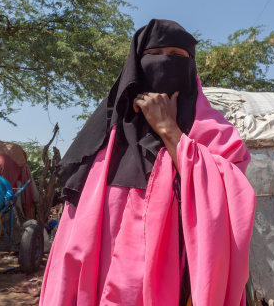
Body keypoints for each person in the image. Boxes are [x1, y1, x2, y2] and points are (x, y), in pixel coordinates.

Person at [39, 19, 256, 306]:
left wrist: (169, 130)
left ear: (191, 66)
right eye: (155, 54)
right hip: (96, 282)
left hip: (176, 285)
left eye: (178, 56)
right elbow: (72, 236)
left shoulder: (214, 131)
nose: (166, 62)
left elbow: (233, 198)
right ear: (136, 65)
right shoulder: (103, 141)